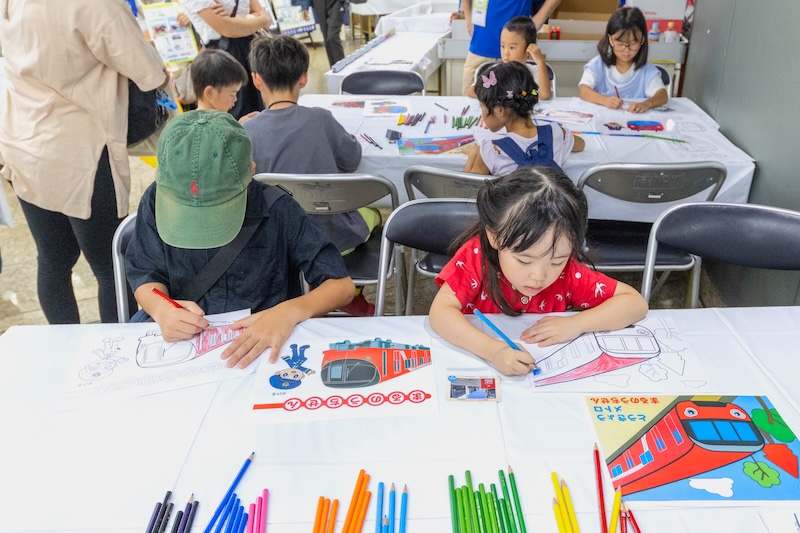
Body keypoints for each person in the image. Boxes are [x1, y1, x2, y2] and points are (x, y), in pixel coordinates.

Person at [124, 110, 355, 368]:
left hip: (265, 354)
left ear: (251, 172)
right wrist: (161, 309)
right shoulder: (155, 201)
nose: (204, 225)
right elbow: (144, 272)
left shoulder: (279, 210)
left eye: (218, 208)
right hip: (183, 354)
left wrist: (289, 312)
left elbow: (341, 286)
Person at [0, 0, 167, 324]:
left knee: (53, 260)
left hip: (23, 139)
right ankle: (116, 350)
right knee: (110, 264)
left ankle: (64, 348)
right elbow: (149, 71)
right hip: (81, 150)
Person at [429, 168, 648, 376]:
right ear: (494, 237)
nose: (539, 276)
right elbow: (440, 313)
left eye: (556, 261)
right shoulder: (476, 258)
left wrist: (577, 324)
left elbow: (635, 303)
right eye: (524, 260)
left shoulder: (568, 272)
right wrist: (492, 350)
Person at [245, 35, 380, 316]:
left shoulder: (248, 131)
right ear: (304, 77)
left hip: (277, 241)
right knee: (375, 214)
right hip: (334, 237)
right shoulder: (321, 118)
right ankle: (352, 293)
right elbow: (352, 159)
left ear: (256, 80)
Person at [464, 62, 584, 175]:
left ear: (500, 110)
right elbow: (581, 145)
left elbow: (468, 186)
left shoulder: (491, 151)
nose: (482, 113)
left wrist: (473, 155)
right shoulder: (557, 133)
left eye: (482, 107)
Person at [178, 0, 271, 120]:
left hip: (250, 49)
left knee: (257, 109)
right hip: (223, 55)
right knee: (234, 109)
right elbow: (228, 28)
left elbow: (261, 13)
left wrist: (245, 20)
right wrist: (261, 19)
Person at [460, 0, 562, 96]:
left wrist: (539, 19)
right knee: (470, 103)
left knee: (527, 99)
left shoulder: (532, 69)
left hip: (520, 51)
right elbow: (472, 93)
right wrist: (468, 16)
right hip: (480, 46)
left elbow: (542, 94)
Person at [579, 6, 668, 113]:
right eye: (620, 44)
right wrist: (604, 100)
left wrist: (646, 104)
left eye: (633, 43)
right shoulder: (597, 65)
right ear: (610, 39)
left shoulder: (646, 70)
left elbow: (662, 95)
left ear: (642, 40)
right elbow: (584, 90)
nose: (626, 50)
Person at [466, 16, 551, 100]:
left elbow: (544, 95)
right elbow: (471, 91)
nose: (506, 52)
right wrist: (499, 95)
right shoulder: (495, 71)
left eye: (512, 47)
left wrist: (540, 62)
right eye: (503, 46)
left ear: (528, 50)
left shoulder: (534, 72)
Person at [190, 48, 258, 123]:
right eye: (232, 95)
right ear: (210, 93)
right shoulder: (215, 125)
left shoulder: (189, 122)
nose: (235, 99)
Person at [312, 0, 346, 67]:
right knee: (327, 40)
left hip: (336, 3)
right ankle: (333, 68)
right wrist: (305, 6)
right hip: (319, 3)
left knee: (332, 36)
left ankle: (342, 68)